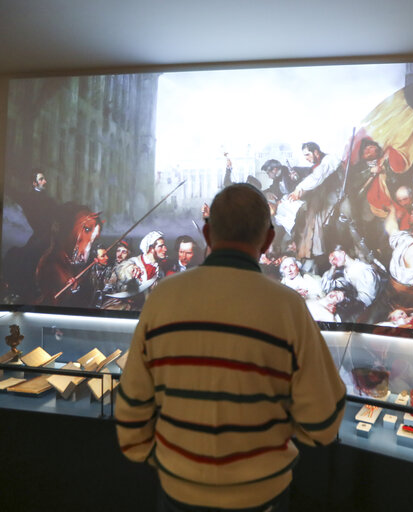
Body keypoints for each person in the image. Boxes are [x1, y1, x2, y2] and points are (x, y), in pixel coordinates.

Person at [115, 184, 346, 512]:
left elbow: (131, 412)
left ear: (207, 234)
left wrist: (168, 461)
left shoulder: (163, 297)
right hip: (262, 499)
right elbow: (323, 423)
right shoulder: (288, 307)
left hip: (178, 494)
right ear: (268, 240)